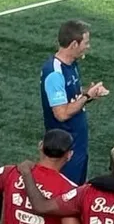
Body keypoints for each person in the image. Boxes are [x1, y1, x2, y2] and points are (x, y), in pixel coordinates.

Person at [40, 20, 109, 186]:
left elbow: (70, 98)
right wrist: (87, 96)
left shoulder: (71, 65)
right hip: (64, 151)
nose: (88, 46)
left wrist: (90, 94)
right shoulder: (55, 73)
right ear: (74, 44)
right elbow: (61, 113)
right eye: (86, 42)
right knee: (65, 193)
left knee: (77, 191)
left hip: (77, 146)